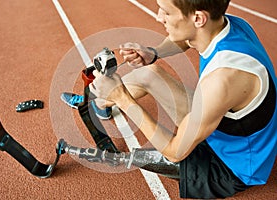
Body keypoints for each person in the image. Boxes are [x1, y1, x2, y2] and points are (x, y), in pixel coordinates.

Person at [63, 0, 276, 198]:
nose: (158, 17)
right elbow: (185, 40)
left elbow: (175, 152)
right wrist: (153, 53)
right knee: (149, 73)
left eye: (166, 11)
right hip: (224, 122)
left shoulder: (223, 79)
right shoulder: (229, 25)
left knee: (150, 154)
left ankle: (110, 97)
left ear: (198, 18)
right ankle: (99, 102)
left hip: (231, 165)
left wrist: (123, 99)